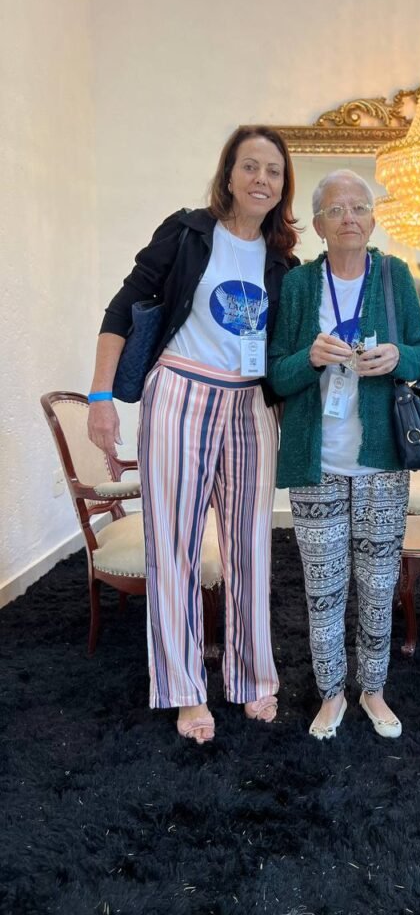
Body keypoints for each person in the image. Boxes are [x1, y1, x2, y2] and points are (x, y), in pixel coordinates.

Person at [87, 125, 300, 744]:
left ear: (283, 187)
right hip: (180, 392)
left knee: (251, 546)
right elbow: (122, 309)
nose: (261, 179)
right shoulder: (186, 233)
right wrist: (100, 397)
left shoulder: (283, 262)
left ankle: (251, 676)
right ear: (228, 174)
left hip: (251, 403)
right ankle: (184, 690)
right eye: (250, 166)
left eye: (274, 171)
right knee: (174, 544)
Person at [268, 169, 420, 740]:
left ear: (373, 218)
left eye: (359, 207)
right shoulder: (298, 286)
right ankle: (331, 693)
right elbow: (276, 375)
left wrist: (398, 357)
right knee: (323, 588)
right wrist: (309, 358)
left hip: (382, 463)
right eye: (336, 209)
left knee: (379, 585)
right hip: (316, 465)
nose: (349, 218)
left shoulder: (394, 275)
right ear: (317, 224)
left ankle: (374, 689)